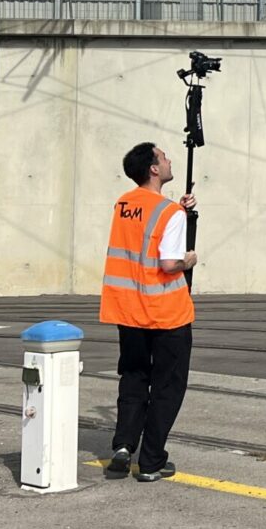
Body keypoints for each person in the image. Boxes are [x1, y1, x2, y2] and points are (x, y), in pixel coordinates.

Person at [98, 142, 196, 483]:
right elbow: (168, 262)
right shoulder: (169, 213)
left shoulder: (124, 203)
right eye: (164, 157)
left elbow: (144, 229)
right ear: (154, 169)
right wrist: (189, 259)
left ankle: (123, 447)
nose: (169, 161)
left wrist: (178, 210)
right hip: (165, 313)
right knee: (167, 386)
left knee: (135, 378)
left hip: (128, 310)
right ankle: (152, 461)